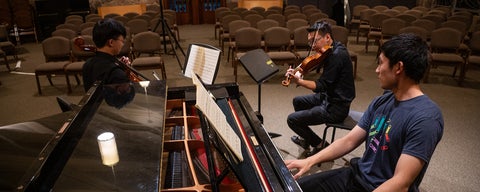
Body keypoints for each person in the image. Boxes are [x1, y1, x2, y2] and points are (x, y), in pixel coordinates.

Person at [285, 33, 444, 192]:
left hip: (380, 188)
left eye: (381, 63)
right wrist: (310, 161)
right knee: (295, 188)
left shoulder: (426, 118)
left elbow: (400, 183)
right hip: (357, 176)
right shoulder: (382, 101)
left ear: (398, 68)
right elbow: (349, 141)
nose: (376, 70)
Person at [285, 21, 355, 156]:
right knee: (297, 101)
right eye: (310, 42)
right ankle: (305, 138)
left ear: (327, 37)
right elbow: (312, 63)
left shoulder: (337, 56)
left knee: (291, 119)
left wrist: (299, 80)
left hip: (336, 107)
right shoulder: (331, 48)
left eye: (315, 41)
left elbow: (321, 86)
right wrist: (299, 70)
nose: (312, 46)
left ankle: (320, 144)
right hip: (328, 96)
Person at [82, 18, 131, 91]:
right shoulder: (116, 73)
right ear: (111, 42)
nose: (122, 44)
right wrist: (124, 75)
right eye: (122, 41)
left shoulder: (87, 64)